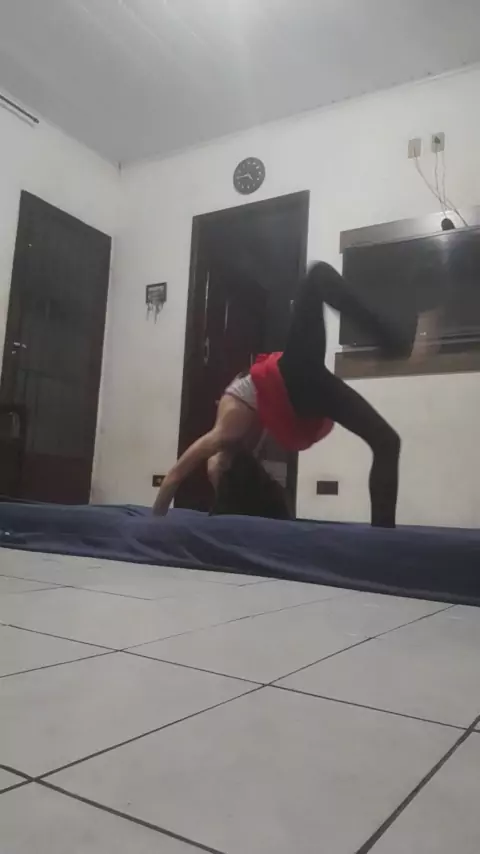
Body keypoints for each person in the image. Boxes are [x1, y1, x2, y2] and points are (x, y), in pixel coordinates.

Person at [154, 261, 411, 527]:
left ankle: (383, 535)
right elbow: (177, 476)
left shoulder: (228, 430)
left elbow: (176, 475)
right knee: (316, 276)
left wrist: (154, 523)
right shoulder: (233, 439)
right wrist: (153, 527)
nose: (215, 470)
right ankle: (389, 340)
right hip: (297, 384)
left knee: (387, 442)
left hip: (297, 383)